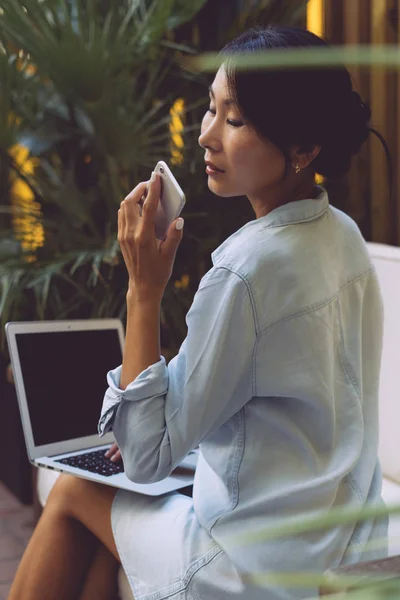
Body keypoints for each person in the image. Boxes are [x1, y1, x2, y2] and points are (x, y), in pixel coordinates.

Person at [9, 25, 388, 600]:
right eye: (211, 109)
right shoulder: (343, 236)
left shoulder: (244, 273)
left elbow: (144, 457)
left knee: (69, 494)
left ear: (304, 148)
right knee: (101, 531)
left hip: (251, 571)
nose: (206, 135)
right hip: (340, 542)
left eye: (233, 120)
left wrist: (144, 288)